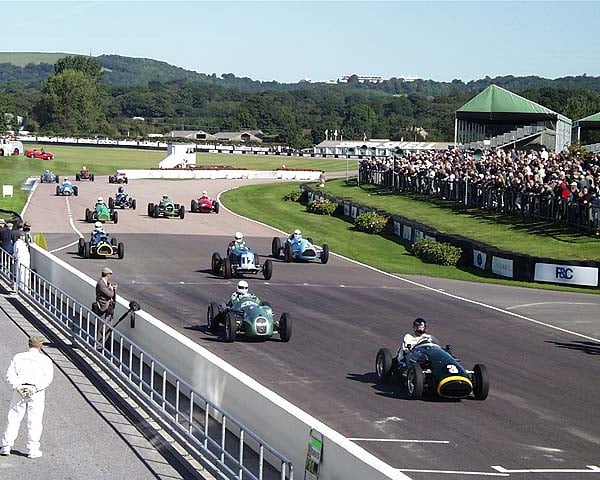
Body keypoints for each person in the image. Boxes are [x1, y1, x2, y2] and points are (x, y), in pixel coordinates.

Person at [0, 335, 54, 459]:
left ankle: (6, 446)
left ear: (29, 344)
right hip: (36, 392)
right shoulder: (46, 360)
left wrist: (18, 386)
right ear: (40, 346)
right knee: (34, 420)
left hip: (19, 390)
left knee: (13, 417)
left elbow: (10, 375)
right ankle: (33, 449)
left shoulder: (18, 357)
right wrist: (35, 388)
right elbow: (48, 379)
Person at [94, 267, 118, 349]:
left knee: (108, 327)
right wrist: (113, 290)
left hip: (108, 308)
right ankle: (98, 346)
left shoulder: (105, 283)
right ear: (108, 275)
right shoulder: (101, 284)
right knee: (102, 327)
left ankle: (104, 344)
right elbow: (110, 295)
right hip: (103, 307)